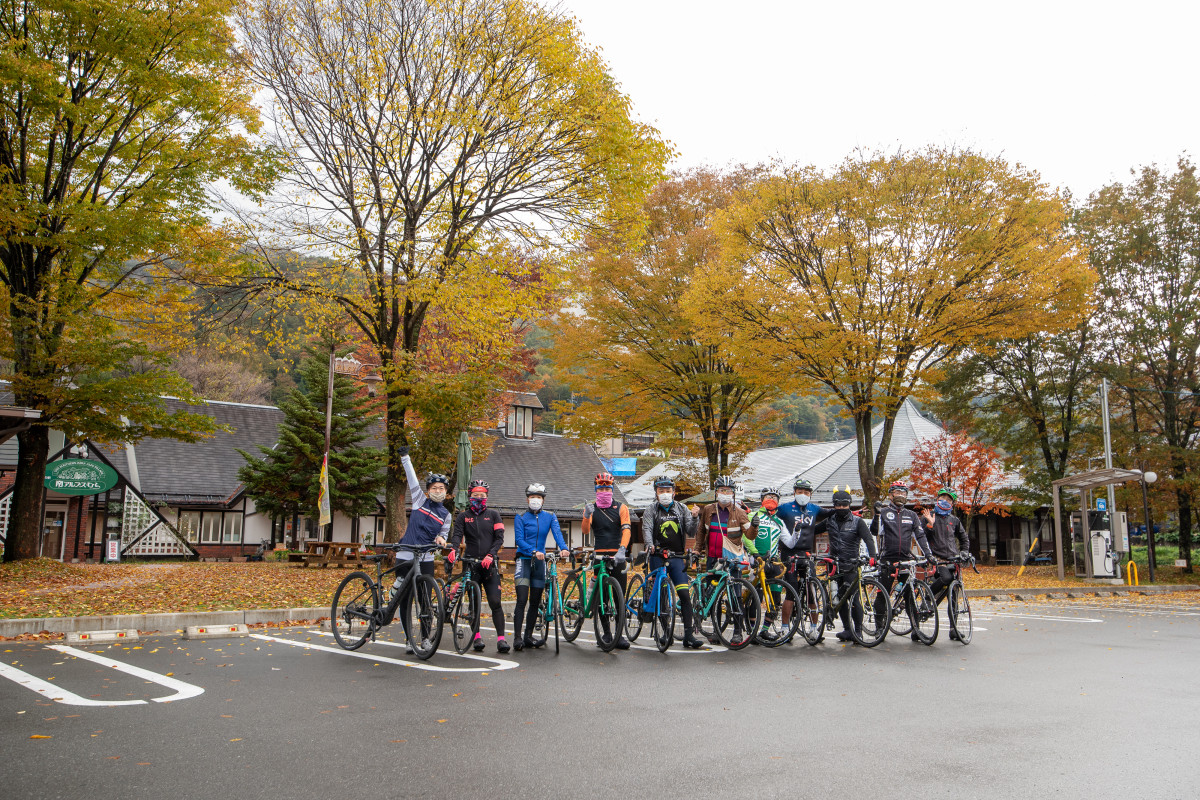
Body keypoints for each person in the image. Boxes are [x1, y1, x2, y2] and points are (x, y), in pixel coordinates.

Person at [394, 446, 450, 653]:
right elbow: (411, 479)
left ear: (446, 492)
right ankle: (409, 639)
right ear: (428, 490)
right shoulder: (419, 500)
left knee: (426, 599)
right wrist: (405, 458)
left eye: (441, 489)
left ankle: (425, 638)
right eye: (434, 488)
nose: (437, 491)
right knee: (406, 598)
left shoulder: (446, 514)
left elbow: (443, 535)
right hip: (406, 554)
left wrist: (441, 539)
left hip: (425, 558)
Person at [447, 479, 509, 653]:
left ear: (487, 497)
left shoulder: (494, 515)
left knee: (495, 601)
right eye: (475, 495)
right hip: (471, 564)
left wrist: (491, 554)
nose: (479, 498)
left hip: (489, 565)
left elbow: (499, 538)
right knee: (474, 603)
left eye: (482, 495)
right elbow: (457, 536)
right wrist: (454, 549)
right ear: (469, 496)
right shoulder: (463, 516)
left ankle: (501, 639)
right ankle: (476, 637)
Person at [641, 476, 704, 649]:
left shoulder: (681, 508)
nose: (665, 494)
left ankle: (689, 635)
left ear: (674, 492)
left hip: (677, 556)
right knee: (661, 596)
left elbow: (691, 531)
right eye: (661, 491)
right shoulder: (651, 510)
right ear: (656, 493)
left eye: (668, 491)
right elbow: (646, 528)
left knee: (684, 595)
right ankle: (665, 631)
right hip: (657, 556)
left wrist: (695, 517)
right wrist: (649, 545)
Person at [870, 481, 934, 642]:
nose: (901, 495)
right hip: (887, 559)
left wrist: (929, 555)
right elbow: (875, 531)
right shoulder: (884, 512)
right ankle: (879, 628)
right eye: (897, 492)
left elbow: (920, 536)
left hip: (905, 559)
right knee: (882, 593)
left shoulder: (911, 515)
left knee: (910, 594)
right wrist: (877, 515)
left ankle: (916, 630)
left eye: (904, 493)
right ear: (891, 495)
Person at [512, 482, 568, 651]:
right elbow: (519, 540)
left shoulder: (550, 516)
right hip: (524, 560)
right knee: (522, 600)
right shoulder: (520, 517)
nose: (535, 500)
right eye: (532, 497)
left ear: (543, 500)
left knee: (535, 601)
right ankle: (517, 637)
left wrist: (564, 548)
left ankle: (528, 636)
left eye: (538, 497)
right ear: (527, 499)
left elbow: (557, 533)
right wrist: (533, 551)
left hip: (540, 563)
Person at [816, 487, 877, 642]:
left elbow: (869, 539)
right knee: (839, 598)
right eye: (838, 505)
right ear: (834, 505)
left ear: (849, 504)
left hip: (851, 564)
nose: (842, 508)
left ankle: (858, 631)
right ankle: (847, 630)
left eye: (845, 505)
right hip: (834, 564)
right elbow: (813, 530)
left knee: (854, 599)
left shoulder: (858, 521)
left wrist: (873, 556)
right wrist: (800, 527)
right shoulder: (829, 520)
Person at [695, 475, 752, 639]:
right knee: (714, 597)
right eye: (722, 490)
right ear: (716, 492)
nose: (725, 493)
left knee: (735, 595)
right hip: (713, 559)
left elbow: (750, 534)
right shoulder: (708, 510)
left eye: (728, 490)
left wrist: (754, 525)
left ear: (733, 493)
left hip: (732, 561)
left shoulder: (739, 512)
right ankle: (716, 631)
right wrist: (698, 550)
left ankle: (737, 632)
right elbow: (700, 532)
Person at [582, 471, 633, 650]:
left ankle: (619, 635)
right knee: (602, 597)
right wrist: (586, 516)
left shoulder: (621, 507)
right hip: (599, 556)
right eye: (601, 487)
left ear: (612, 489)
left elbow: (626, 529)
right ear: (596, 489)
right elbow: (586, 531)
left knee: (620, 597)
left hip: (617, 556)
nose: (604, 490)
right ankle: (606, 632)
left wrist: (622, 549)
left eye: (608, 487)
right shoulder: (591, 508)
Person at [776, 477, 829, 629]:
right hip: (789, 554)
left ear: (810, 494)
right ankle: (785, 627)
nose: (803, 494)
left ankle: (814, 628)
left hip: (807, 554)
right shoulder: (784, 508)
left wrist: (851, 512)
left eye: (806, 492)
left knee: (811, 592)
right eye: (800, 492)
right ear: (794, 493)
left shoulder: (814, 508)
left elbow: (832, 513)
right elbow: (771, 519)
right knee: (791, 593)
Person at [921, 487, 972, 640]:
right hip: (937, 559)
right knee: (946, 579)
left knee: (954, 595)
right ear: (937, 499)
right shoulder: (929, 516)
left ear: (952, 503)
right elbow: (921, 536)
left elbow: (964, 538)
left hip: (953, 559)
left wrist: (964, 552)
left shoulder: (954, 520)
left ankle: (953, 629)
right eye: (943, 498)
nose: (945, 501)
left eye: (949, 500)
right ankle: (928, 598)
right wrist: (930, 524)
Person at [746, 486, 787, 641]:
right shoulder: (753, 516)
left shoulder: (780, 522)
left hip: (774, 562)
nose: (772, 500)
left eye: (775, 498)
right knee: (756, 597)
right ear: (762, 499)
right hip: (757, 561)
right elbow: (746, 537)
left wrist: (798, 532)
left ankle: (764, 630)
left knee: (776, 598)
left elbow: (789, 542)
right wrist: (753, 554)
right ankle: (752, 631)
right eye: (768, 497)